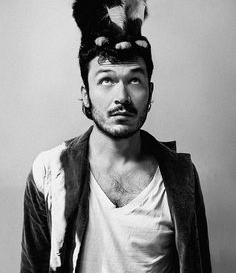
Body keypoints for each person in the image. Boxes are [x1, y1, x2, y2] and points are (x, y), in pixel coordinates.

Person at [20, 43, 211, 273]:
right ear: (86, 95)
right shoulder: (50, 171)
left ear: (150, 92)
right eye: (106, 80)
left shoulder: (181, 177)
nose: (122, 97)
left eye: (134, 80)